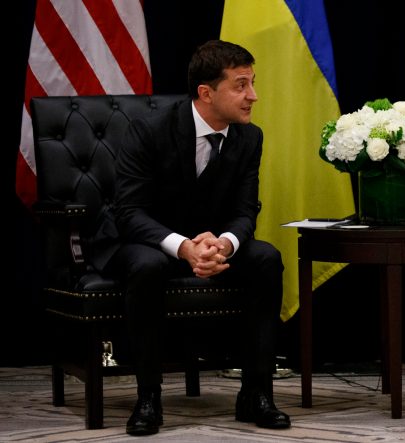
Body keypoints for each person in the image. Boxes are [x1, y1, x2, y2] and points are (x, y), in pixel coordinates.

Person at [99, 39, 291, 436]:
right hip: (147, 240)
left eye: (252, 83)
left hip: (210, 240)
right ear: (206, 93)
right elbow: (129, 211)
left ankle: (256, 392)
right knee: (148, 266)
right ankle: (148, 396)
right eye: (241, 85)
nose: (253, 95)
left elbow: (244, 210)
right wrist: (184, 247)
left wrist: (225, 244)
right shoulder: (149, 130)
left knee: (266, 258)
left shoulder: (249, 137)